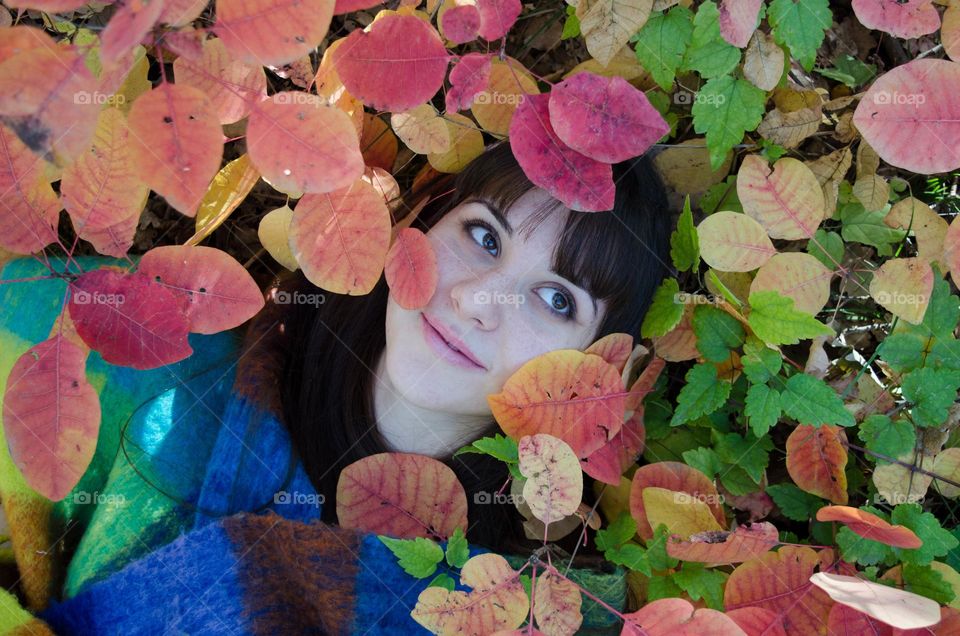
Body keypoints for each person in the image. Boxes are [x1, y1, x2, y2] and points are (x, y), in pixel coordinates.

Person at [0, 140, 673, 634]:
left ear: (602, 368)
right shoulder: (166, 350)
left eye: (556, 301)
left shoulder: (504, 609)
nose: (475, 299)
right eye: (482, 236)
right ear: (423, 218)